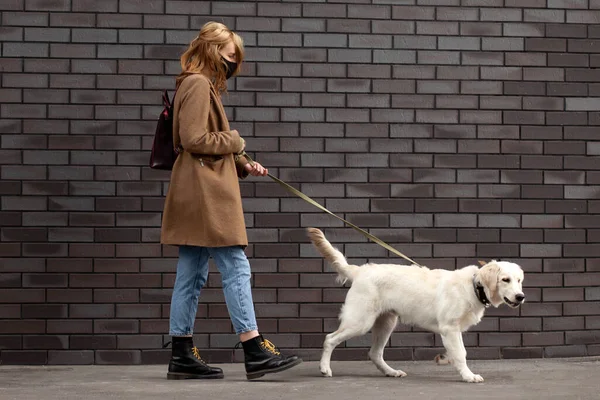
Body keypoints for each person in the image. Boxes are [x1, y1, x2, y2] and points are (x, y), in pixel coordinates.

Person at [160, 21, 302, 380]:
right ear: (211, 51)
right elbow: (193, 138)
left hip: (196, 190)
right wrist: (236, 142)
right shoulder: (196, 84)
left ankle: (181, 354)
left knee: (191, 275)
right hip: (205, 194)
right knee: (236, 266)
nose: (231, 64)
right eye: (227, 56)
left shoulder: (200, 85)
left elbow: (205, 142)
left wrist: (242, 163)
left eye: (234, 58)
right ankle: (253, 347)